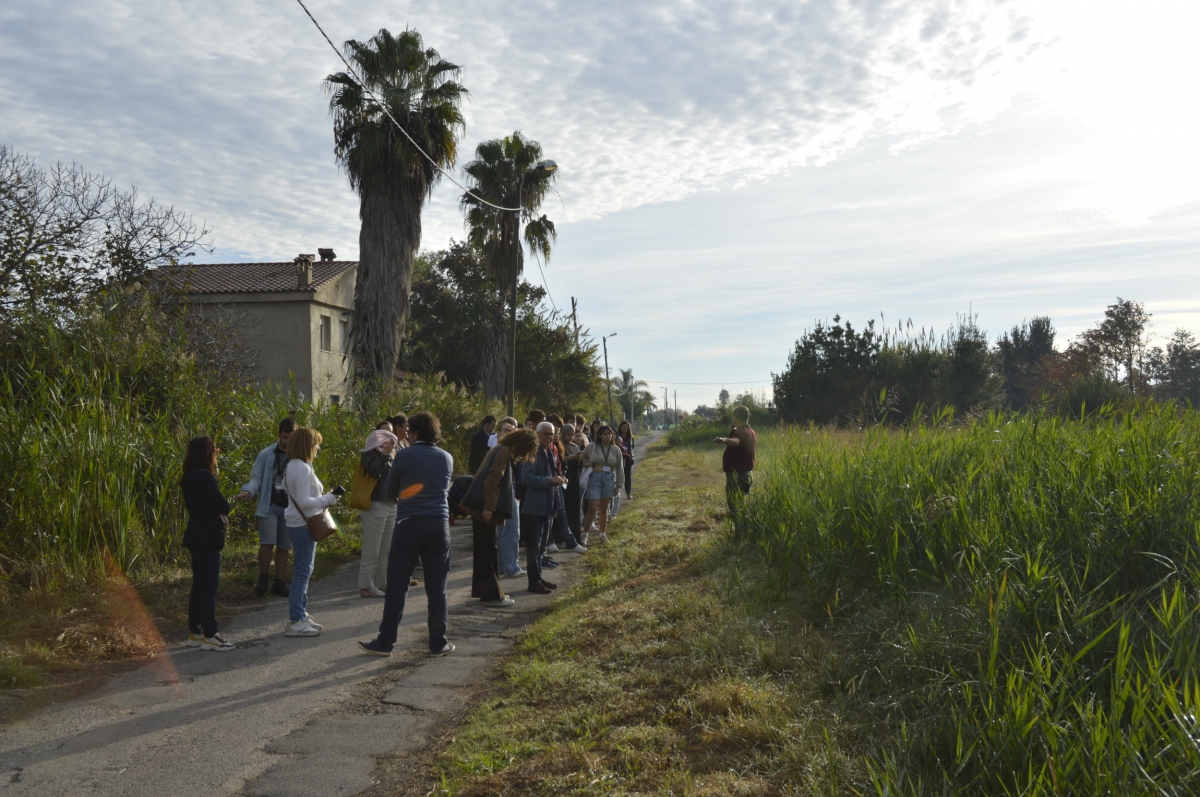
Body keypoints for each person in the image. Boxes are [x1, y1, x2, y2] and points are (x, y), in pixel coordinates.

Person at [357, 411, 456, 657]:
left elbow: (391, 489)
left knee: (398, 585)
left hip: (409, 524)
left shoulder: (403, 455)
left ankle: (386, 642)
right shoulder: (447, 457)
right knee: (437, 587)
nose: (407, 435)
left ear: (417, 432)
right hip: (439, 525)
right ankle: (438, 643)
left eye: (410, 431)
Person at [466, 427, 538, 607]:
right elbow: (493, 479)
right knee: (489, 551)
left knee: (483, 551)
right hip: (485, 509)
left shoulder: (498, 448)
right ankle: (492, 596)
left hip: (478, 508)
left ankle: (483, 592)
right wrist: (489, 507)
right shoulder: (504, 452)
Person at [282, 427, 340, 637]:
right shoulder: (302, 469)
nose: (318, 448)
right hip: (302, 525)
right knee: (302, 572)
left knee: (303, 570)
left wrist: (325, 497)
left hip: (298, 524)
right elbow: (305, 502)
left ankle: (300, 614)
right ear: (307, 445)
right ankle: (296, 619)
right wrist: (329, 499)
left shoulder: (296, 466)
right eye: (316, 443)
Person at [181, 436, 235, 652]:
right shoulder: (205, 477)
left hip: (195, 535)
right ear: (207, 453)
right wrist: (226, 510)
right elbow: (222, 504)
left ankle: (197, 631)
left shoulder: (189, 476)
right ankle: (211, 634)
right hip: (207, 537)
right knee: (209, 588)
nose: (217, 454)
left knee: (199, 586)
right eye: (215, 450)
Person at [233, 418, 297, 598]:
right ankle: (263, 579)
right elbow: (256, 479)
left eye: (291, 438)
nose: (287, 442)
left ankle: (279, 582)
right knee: (267, 543)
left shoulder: (300, 455)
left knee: (284, 546)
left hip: (290, 508)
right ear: (279, 435)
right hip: (270, 505)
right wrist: (248, 491)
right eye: (285, 438)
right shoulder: (266, 454)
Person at [518, 422, 567, 595]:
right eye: (545, 433)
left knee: (541, 548)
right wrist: (549, 481)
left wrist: (559, 478)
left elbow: (551, 474)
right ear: (537, 434)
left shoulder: (549, 451)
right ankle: (533, 582)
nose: (548, 436)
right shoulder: (533, 452)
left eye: (551, 433)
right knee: (534, 547)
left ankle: (538, 578)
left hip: (549, 505)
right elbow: (526, 478)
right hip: (534, 507)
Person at [358, 427, 400, 597]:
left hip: (392, 504)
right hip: (375, 505)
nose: (388, 440)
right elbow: (374, 471)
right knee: (372, 548)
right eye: (385, 433)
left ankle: (383, 583)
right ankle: (366, 586)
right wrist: (385, 455)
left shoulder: (393, 453)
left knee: (387, 549)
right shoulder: (370, 452)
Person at [490, 418, 524, 577]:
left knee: (505, 533)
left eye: (512, 431)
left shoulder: (510, 451)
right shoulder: (501, 450)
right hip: (504, 495)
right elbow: (494, 477)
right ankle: (511, 568)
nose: (509, 433)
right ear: (498, 434)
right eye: (505, 430)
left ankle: (504, 566)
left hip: (509, 493)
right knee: (510, 532)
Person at [582, 425, 624, 545]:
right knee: (592, 507)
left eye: (609, 434)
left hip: (609, 478)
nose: (607, 436)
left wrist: (619, 485)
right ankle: (585, 534)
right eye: (605, 434)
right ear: (599, 435)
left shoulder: (616, 449)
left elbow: (620, 468)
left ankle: (602, 534)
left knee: (604, 509)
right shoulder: (592, 446)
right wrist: (587, 464)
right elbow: (583, 457)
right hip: (595, 477)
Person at [716, 405, 757, 513]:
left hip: (737, 475)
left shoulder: (740, 432)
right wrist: (732, 432)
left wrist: (723, 439)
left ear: (735, 418)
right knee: (741, 504)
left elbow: (736, 442)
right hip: (746, 474)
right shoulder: (751, 432)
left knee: (734, 506)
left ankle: (739, 527)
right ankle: (743, 526)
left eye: (733, 417)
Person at [562, 424, 584, 543]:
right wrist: (567, 459)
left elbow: (580, 464)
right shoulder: (560, 445)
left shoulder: (575, 446)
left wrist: (579, 458)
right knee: (566, 507)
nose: (570, 437)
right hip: (565, 478)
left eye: (572, 435)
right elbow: (559, 461)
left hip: (575, 478)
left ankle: (575, 535)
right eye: (568, 435)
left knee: (575, 507)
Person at [617, 419, 636, 499]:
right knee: (618, 476)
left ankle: (628, 493)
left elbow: (632, 447)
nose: (625, 428)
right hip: (619, 458)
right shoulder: (617, 436)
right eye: (623, 426)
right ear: (620, 427)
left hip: (627, 459)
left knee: (628, 477)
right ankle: (617, 493)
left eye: (626, 426)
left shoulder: (631, 437)